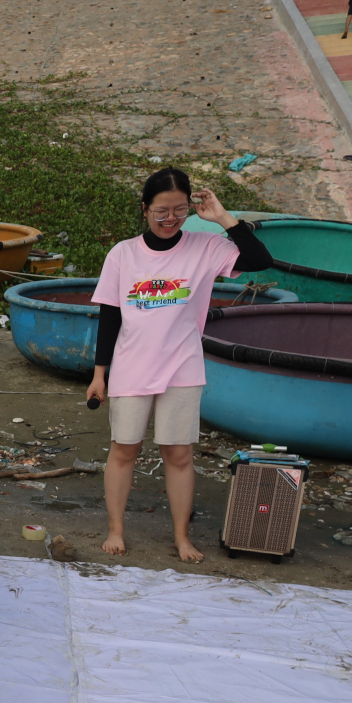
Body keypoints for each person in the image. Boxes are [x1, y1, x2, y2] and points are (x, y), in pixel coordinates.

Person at [86, 168, 274, 562]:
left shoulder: (206, 247)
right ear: (145, 209)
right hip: (132, 366)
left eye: (179, 210)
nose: (170, 219)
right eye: (161, 211)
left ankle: (181, 537)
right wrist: (99, 375)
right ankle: (116, 529)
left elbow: (260, 259)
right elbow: (110, 316)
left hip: (183, 367)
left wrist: (223, 218)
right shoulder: (123, 253)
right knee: (124, 450)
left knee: (179, 455)